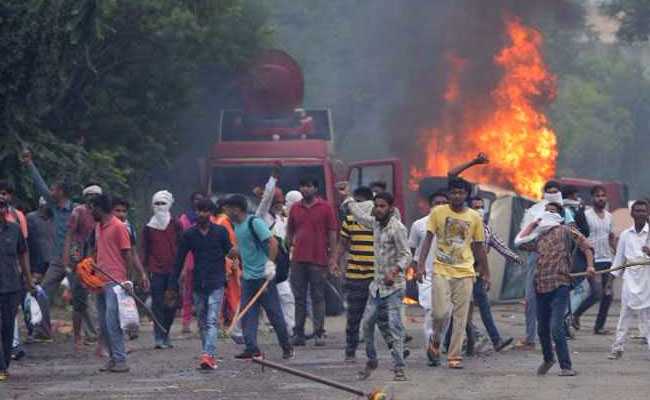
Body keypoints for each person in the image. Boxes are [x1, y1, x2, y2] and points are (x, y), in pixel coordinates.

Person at [22, 151, 99, 350]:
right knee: (42, 293)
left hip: (76, 260)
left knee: (81, 298)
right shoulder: (56, 208)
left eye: (54, 189)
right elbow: (40, 186)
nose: (51, 191)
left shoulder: (78, 210)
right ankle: (45, 331)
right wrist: (30, 164)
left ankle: (93, 333)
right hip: (58, 260)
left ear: (62, 192)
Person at [416, 177, 488, 370]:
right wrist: (421, 264)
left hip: (465, 271)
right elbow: (428, 239)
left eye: (461, 192)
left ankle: (454, 356)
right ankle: (436, 339)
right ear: (449, 194)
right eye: (454, 192)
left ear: (466, 195)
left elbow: (479, 246)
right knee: (440, 313)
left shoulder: (474, 217)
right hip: (441, 269)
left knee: (460, 316)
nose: (457, 196)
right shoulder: (438, 212)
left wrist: (486, 271)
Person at [517, 202, 595, 376]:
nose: (548, 213)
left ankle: (566, 366)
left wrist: (590, 266)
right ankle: (548, 359)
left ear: (560, 217)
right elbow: (520, 244)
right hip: (540, 286)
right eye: (546, 211)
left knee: (556, 327)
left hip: (560, 285)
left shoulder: (566, 231)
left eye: (553, 211)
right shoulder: (538, 235)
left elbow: (587, 246)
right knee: (542, 329)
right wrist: (533, 225)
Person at [342, 191, 411, 382]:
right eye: (377, 206)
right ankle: (372, 361)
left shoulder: (397, 228)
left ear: (390, 207)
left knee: (395, 326)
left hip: (394, 287)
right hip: (377, 287)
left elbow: (406, 255)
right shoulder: (375, 224)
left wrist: (395, 271)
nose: (379, 209)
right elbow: (359, 215)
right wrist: (347, 199)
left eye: (383, 206)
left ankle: (399, 367)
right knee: (367, 324)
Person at [224, 195, 294, 360]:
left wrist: (270, 265)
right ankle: (251, 348)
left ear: (236, 209)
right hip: (248, 278)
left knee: (274, 314)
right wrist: (235, 254)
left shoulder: (254, 222)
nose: (225, 211)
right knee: (248, 313)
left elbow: (273, 243)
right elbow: (246, 248)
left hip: (264, 278)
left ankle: (287, 346)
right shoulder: (236, 226)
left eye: (228, 208)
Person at [167, 199, 232, 370]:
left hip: (217, 281)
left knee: (211, 320)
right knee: (202, 321)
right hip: (198, 283)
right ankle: (207, 353)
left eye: (205, 211)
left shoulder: (220, 232)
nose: (202, 214)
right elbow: (179, 261)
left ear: (211, 213)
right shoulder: (189, 235)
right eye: (199, 211)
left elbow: (230, 252)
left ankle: (208, 355)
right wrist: (172, 284)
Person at [514, 180, 575, 350]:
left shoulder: (566, 213)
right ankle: (530, 338)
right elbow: (523, 235)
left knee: (556, 301)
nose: (552, 193)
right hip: (536, 257)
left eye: (555, 191)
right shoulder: (534, 211)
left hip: (558, 261)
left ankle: (555, 339)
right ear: (544, 193)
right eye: (549, 191)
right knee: (531, 298)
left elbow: (573, 237)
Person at [90, 194, 147, 373]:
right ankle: (113, 358)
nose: (91, 211)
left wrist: (127, 280)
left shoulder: (118, 227)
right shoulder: (98, 227)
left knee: (112, 321)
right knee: (104, 323)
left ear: (100, 208)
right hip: (100, 280)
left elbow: (128, 254)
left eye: (93, 208)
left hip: (115, 282)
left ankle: (121, 360)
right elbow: (97, 250)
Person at [287, 176, 338, 346]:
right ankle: (299, 334)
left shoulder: (325, 207)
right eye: (302, 186)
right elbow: (290, 231)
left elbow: (332, 233)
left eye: (308, 185)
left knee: (318, 297)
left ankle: (319, 333)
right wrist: (289, 248)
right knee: (299, 297)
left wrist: (333, 257)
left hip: (318, 259)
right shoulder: (295, 208)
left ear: (315, 188)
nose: (305, 189)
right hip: (298, 259)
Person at [468, 196, 519, 352]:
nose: (479, 210)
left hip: (478, 274)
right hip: (461, 273)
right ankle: (449, 343)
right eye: (475, 207)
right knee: (460, 312)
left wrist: (516, 258)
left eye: (481, 206)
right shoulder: (464, 227)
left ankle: (495, 340)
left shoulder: (486, 229)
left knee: (482, 307)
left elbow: (500, 246)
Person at [254, 165, 295, 336]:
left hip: (282, 264)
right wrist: (273, 178)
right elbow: (265, 199)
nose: (279, 205)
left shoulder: (282, 217)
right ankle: (249, 328)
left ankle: (290, 328)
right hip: (265, 263)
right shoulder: (261, 215)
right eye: (276, 202)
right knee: (261, 299)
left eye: (281, 202)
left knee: (287, 296)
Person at [336, 186, 375, 361]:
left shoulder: (379, 221)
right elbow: (342, 244)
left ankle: (392, 348)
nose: (357, 207)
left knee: (381, 316)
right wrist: (335, 261)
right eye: (355, 203)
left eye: (360, 202)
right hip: (355, 276)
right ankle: (350, 350)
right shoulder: (350, 220)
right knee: (354, 315)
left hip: (377, 276)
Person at [608, 200, 650, 360]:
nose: (640, 214)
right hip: (630, 279)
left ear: (647, 214)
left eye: (643, 211)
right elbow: (618, 261)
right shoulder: (626, 235)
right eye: (637, 211)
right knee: (625, 314)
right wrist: (609, 283)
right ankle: (617, 347)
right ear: (632, 214)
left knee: (647, 316)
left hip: (647, 278)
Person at [573, 185, 618, 335]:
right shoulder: (585, 215)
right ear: (592, 198)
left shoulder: (610, 216)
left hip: (607, 259)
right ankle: (576, 314)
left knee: (608, 295)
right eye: (598, 196)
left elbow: (610, 237)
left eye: (603, 195)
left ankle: (599, 327)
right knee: (596, 292)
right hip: (592, 259)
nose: (601, 198)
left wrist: (617, 252)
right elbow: (580, 237)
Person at [0, 198, 35, 381]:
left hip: (11, 286)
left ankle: (4, 364)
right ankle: (0, 367)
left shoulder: (14, 230)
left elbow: (23, 254)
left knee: (7, 327)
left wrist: (29, 280)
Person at [141, 191, 180, 349]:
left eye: (163, 203)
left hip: (173, 271)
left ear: (169, 204)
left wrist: (181, 269)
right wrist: (143, 272)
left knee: (171, 304)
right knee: (157, 304)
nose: (160, 207)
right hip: (156, 271)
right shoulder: (148, 228)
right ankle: (158, 336)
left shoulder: (176, 224)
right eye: (156, 203)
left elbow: (182, 247)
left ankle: (166, 332)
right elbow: (144, 250)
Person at [409, 191, 448, 343]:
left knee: (445, 314)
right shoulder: (419, 225)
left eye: (443, 203)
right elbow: (411, 249)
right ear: (430, 206)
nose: (440, 206)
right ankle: (431, 346)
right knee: (431, 311)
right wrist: (415, 269)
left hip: (448, 274)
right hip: (426, 275)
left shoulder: (454, 224)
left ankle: (438, 341)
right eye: (436, 203)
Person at [25, 197, 55, 340]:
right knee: (35, 296)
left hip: (56, 261)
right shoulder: (31, 218)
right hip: (38, 263)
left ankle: (43, 330)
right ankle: (38, 330)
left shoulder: (57, 218)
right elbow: (28, 242)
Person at [178, 192, 206, 334]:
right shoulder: (184, 219)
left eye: (200, 200)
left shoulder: (208, 219)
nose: (197, 202)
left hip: (203, 261)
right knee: (187, 293)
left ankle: (206, 323)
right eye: (195, 199)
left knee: (204, 293)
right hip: (189, 260)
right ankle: (185, 322)